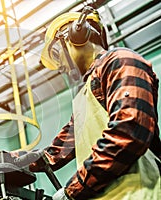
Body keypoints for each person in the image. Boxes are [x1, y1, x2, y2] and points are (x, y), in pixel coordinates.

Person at [28, 6, 161, 200]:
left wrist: (71, 190)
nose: (60, 66)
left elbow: (129, 131)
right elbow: (53, 154)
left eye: (57, 53)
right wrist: (1, 162)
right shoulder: (87, 94)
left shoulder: (120, 61)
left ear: (77, 35)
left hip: (139, 193)